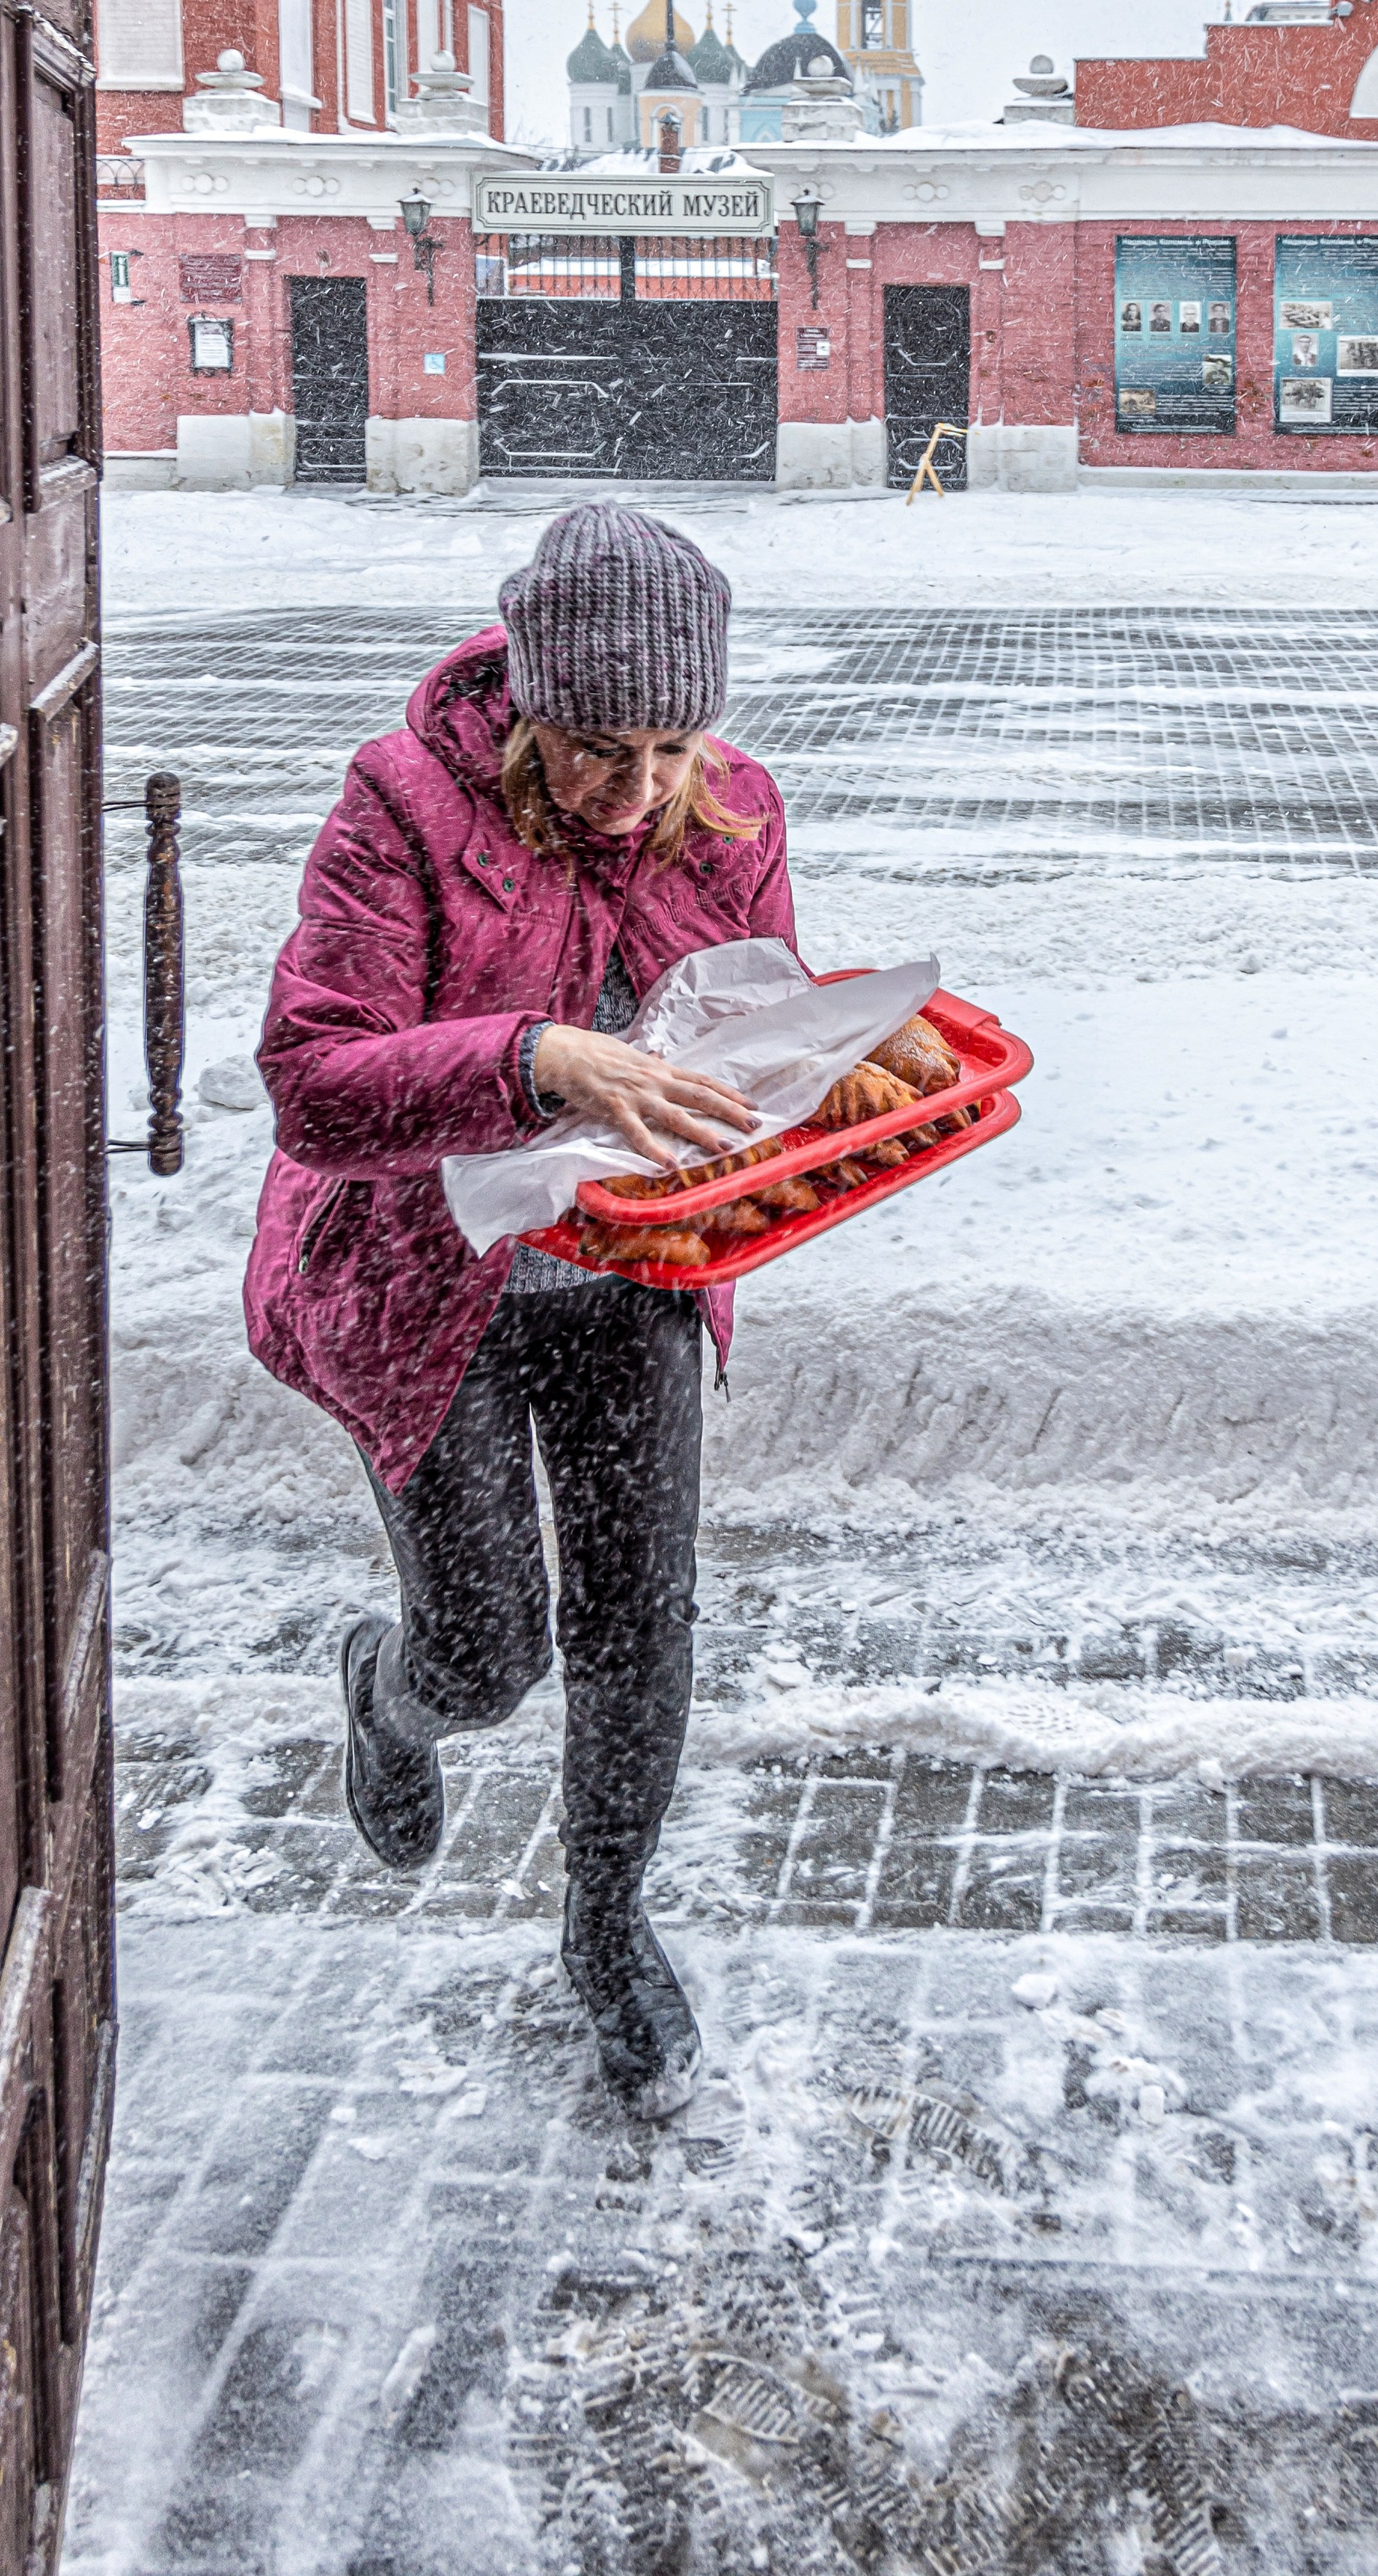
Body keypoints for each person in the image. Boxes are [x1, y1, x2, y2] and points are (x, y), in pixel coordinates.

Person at [244, 503, 795, 2118]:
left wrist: (809, 1105)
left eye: (670, 749)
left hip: (636, 1270)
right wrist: (534, 1056)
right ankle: (386, 1691)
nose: (636, 789)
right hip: (429, 1281)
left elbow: (758, 1023)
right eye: (597, 749)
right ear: (530, 710)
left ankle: (608, 1928)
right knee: (490, 1655)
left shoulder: (732, 807)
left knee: (641, 1622)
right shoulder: (400, 804)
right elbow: (312, 1083)